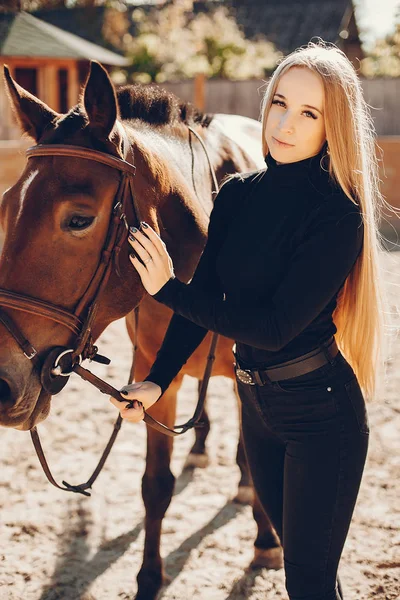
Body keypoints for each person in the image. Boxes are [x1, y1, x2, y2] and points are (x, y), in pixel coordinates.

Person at [109, 41, 389, 600]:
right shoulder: (236, 196)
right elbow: (204, 299)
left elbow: (273, 327)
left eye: (308, 113)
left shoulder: (337, 213)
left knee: (306, 583)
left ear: (332, 125)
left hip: (321, 416)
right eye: (280, 103)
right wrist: (157, 380)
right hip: (259, 410)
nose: (284, 124)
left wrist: (167, 288)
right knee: (311, 578)